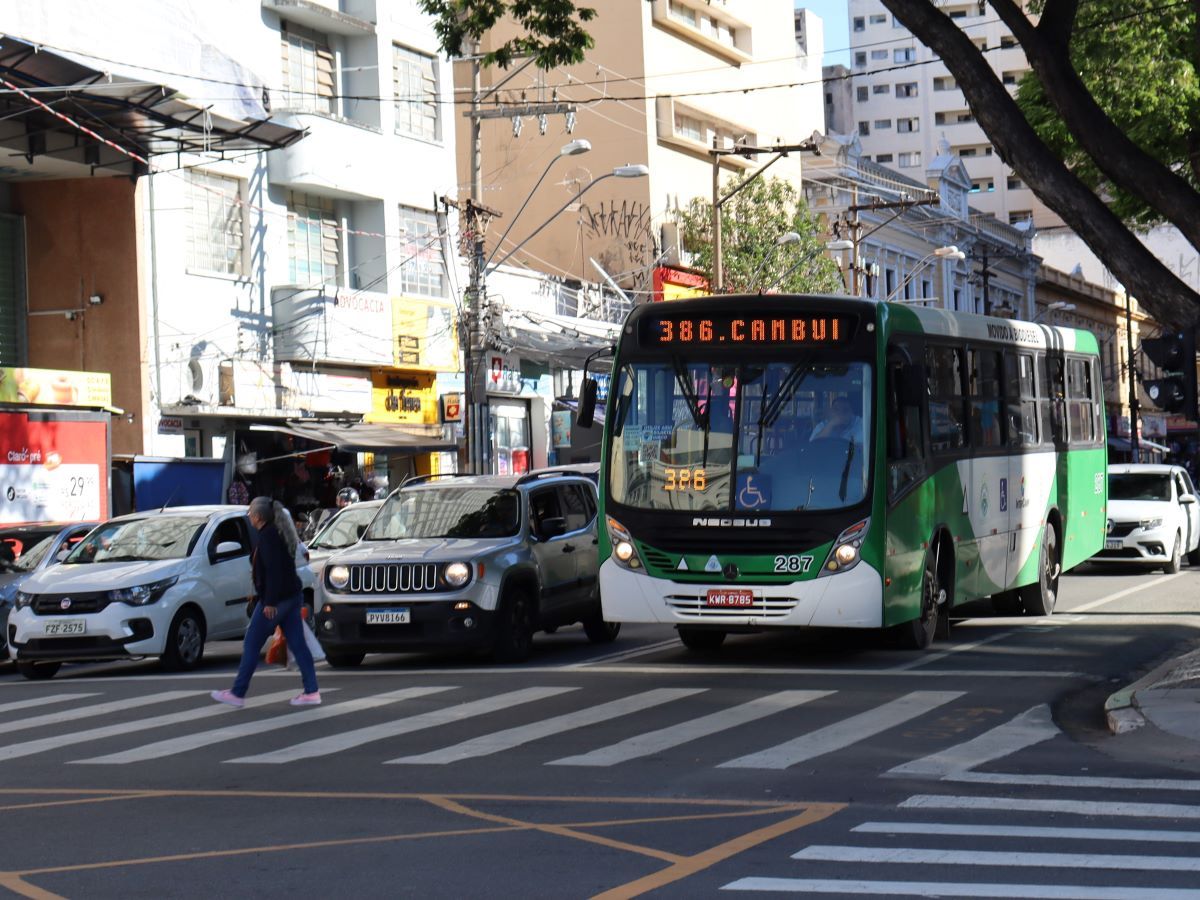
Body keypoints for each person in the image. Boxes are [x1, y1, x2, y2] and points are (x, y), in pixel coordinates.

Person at [212, 496, 320, 708]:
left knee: (252, 643)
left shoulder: (268, 536)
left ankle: (238, 692)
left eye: (251, 513)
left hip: (276, 600)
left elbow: (273, 572)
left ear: (258, 516)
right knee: (298, 644)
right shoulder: (276, 533)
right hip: (290, 596)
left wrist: (269, 601)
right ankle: (312, 691)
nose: (249, 517)